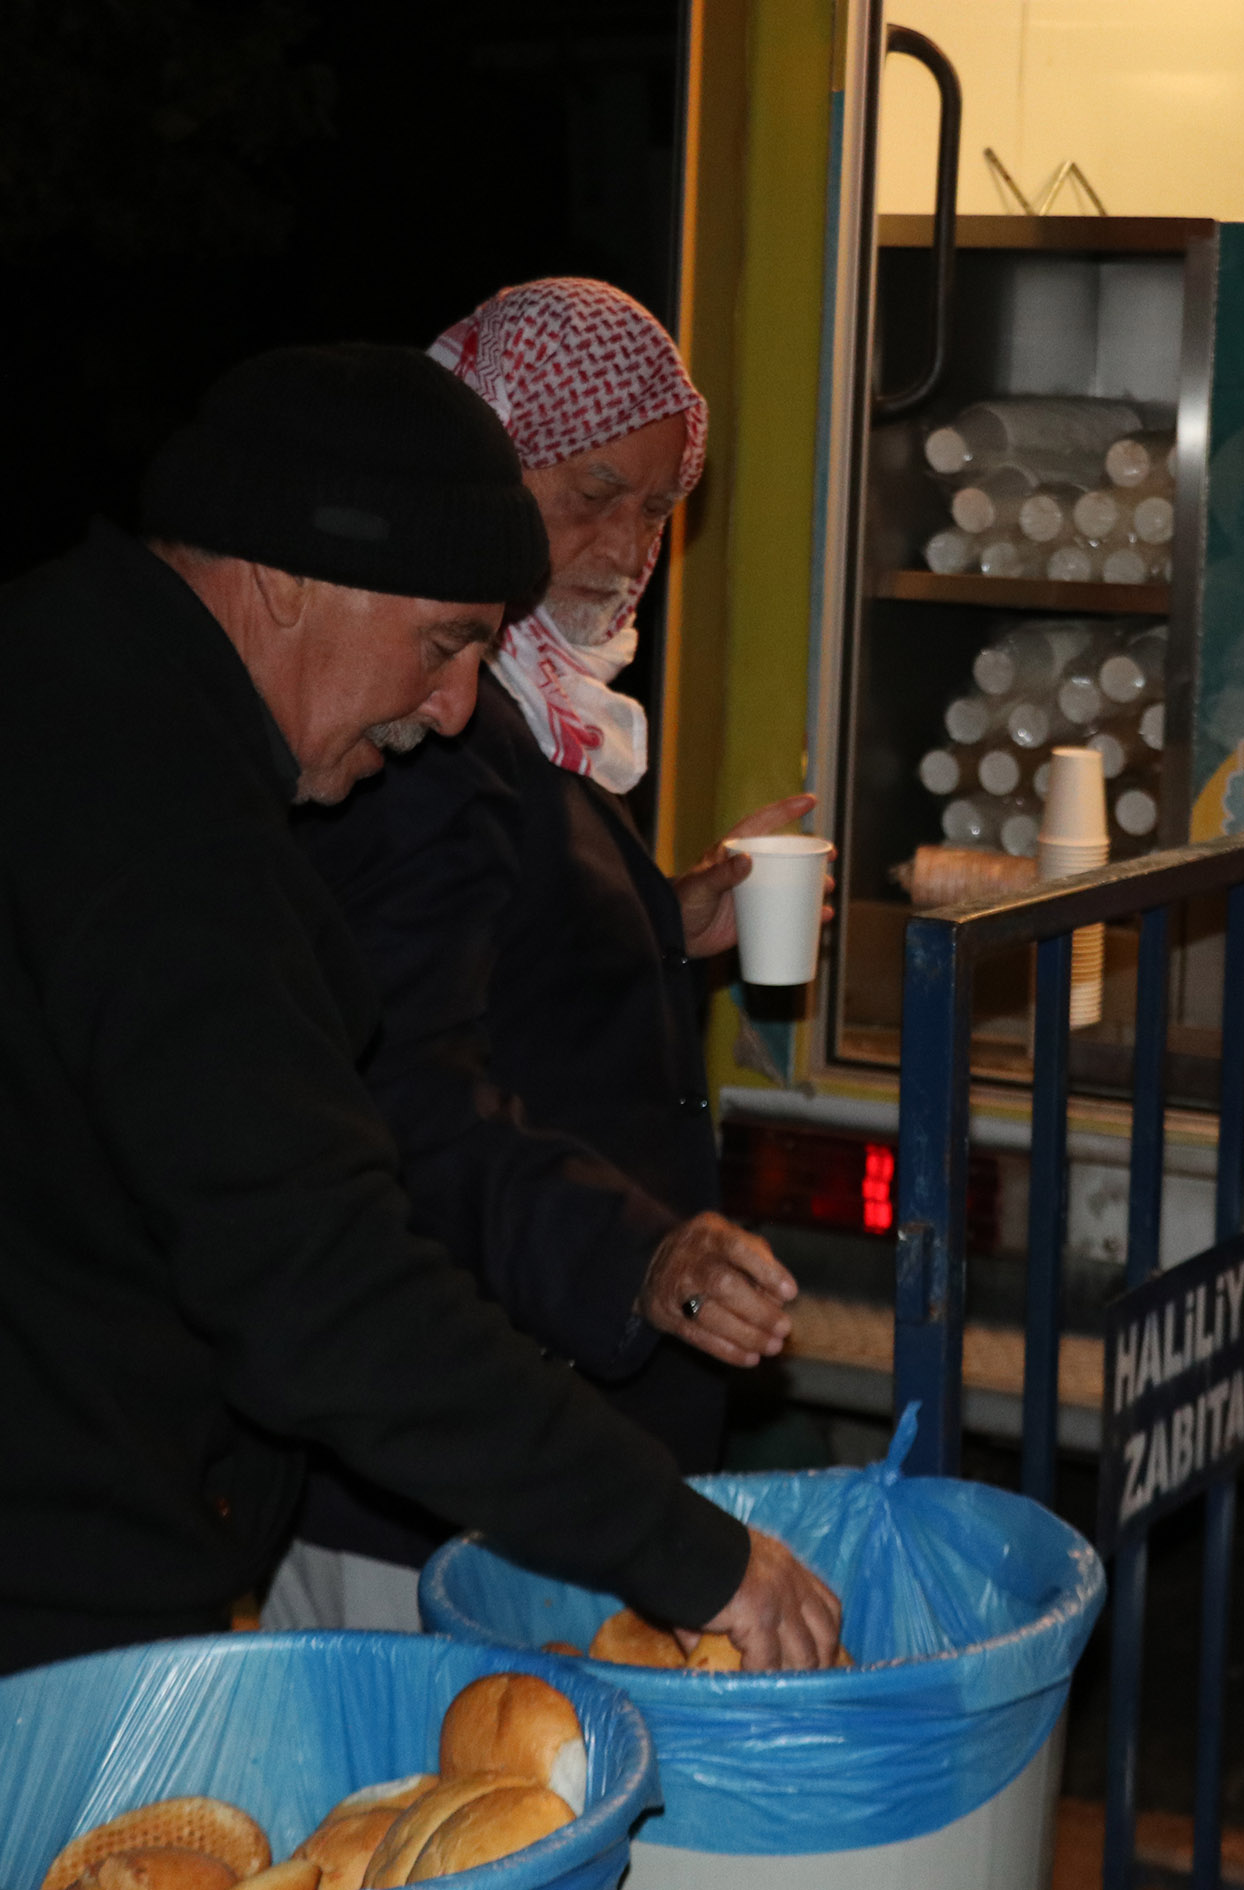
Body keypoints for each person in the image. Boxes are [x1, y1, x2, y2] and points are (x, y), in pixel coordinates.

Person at [0, 344, 840, 1890]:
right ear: (288, 580)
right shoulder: (162, 828)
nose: (456, 705)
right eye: (448, 641)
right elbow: (327, 1299)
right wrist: (693, 1552)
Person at [263, 279, 817, 1631]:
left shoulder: (537, 711)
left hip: (520, 1424)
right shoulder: (424, 735)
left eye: (655, 508)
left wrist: (675, 916)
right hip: (446, 1454)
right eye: (590, 493)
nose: (628, 545)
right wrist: (643, 1252)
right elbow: (407, 1091)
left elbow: (508, 958)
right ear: (484, 459)